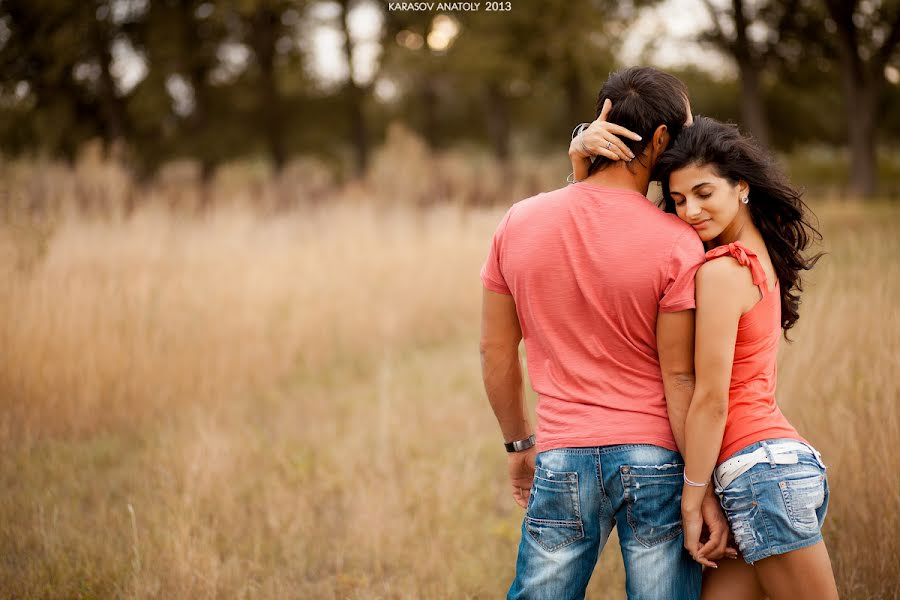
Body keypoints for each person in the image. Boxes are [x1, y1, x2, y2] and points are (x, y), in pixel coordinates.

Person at [479, 66, 733, 600]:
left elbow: (497, 349)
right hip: (656, 458)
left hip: (562, 452)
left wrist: (519, 443)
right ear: (662, 139)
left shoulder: (517, 222)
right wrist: (698, 486)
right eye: (683, 129)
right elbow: (679, 375)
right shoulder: (677, 242)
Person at [573, 114, 838, 599]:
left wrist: (694, 500)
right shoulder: (760, 259)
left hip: (758, 472)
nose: (690, 210)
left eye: (703, 193)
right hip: (770, 468)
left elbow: (712, 398)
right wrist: (579, 162)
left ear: (741, 187)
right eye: (677, 200)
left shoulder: (721, 272)